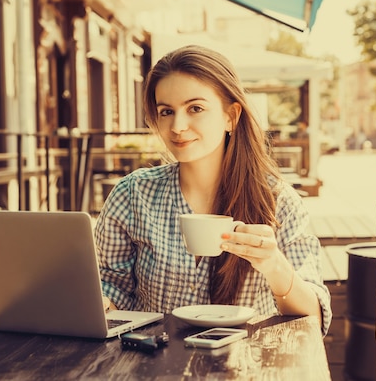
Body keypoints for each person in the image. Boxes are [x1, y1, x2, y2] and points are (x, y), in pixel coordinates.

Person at [95, 45, 331, 334]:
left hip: (247, 370)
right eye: (166, 111)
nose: (178, 126)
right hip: (153, 367)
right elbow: (113, 286)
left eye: (195, 108)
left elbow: (314, 318)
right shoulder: (133, 194)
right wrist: (102, 303)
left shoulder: (278, 201)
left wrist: (274, 265)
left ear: (231, 116)